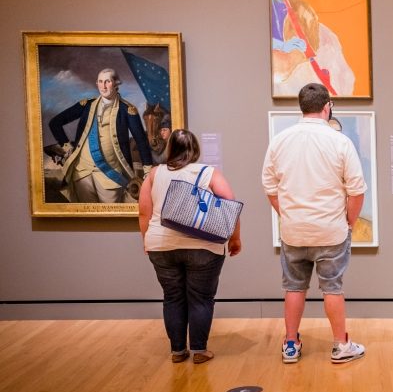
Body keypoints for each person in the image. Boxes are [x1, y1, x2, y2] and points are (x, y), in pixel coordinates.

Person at [262, 83, 367, 364]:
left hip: (294, 231)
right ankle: (341, 345)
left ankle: (291, 344)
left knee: (294, 287)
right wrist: (349, 222)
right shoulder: (340, 142)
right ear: (327, 106)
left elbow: (270, 187)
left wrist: (287, 214)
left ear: (301, 107)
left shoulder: (280, 141)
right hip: (331, 230)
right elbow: (356, 191)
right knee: (332, 287)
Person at [138, 129, 241, 363]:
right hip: (203, 245)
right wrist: (235, 239)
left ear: (170, 148)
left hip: (161, 245)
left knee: (172, 297)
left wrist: (146, 239)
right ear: (195, 149)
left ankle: (177, 351)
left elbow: (144, 211)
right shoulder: (208, 173)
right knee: (201, 298)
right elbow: (230, 206)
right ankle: (199, 350)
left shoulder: (154, 174)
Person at [47, 68, 155, 203]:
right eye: (100, 82)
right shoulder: (87, 105)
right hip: (82, 172)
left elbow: (141, 141)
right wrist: (67, 146)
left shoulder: (127, 110)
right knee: (87, 219)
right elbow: (55, 123)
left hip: (110, 176)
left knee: (111, 219)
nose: (103, 86)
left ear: (116, 84)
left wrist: (148, 171)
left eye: (107, 82)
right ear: (97, 84)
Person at [269, 0, 356, 96]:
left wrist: (305, 46)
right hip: (280, 64)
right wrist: (283, 46)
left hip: (299, 59)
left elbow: (311, 32)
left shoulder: (300, 7)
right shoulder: (266, 10)